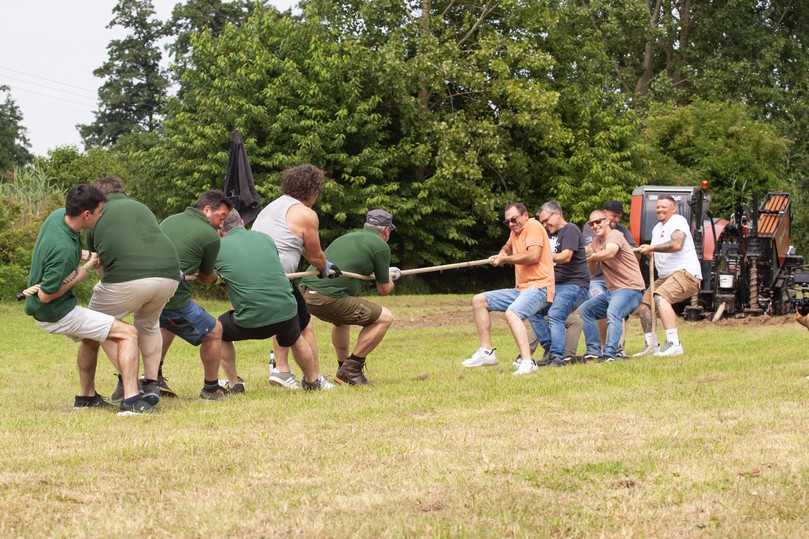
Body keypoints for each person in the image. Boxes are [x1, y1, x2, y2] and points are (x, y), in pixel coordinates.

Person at [24, 184, 150, 415]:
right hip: (56, 313)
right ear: (86, 215)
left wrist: (85, 255)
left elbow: (65, 253)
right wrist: (84, 271)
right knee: (128, 333)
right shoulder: (61, 249)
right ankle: (132, 400)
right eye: (100, 211)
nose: (101, 216)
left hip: (53, 310)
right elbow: (45, 295)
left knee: (92, 339)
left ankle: (86, 397)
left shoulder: (57, 218)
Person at [88, 176, 181, 407]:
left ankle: (129, 382)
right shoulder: (141, 207)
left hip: (128, 278)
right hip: (169, 275)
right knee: (149, 325)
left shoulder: (96, 212)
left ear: (98, 197)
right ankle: (151, 383)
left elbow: (97, 261)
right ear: (122, 191)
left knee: (97, 324)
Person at [215, 210, 333, 390]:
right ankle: (312, 380)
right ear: (241, 221)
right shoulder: (265, 239)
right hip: (287, 311)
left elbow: (209, 276)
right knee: (295, 337)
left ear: (220, 227)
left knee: (218, 330)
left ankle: (234, 383)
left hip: (251, 319)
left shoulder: (217, 247)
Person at [251, 164, 339, 390]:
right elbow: (314, 253)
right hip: (277, 277)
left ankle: (282, 369)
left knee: (287, 321)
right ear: (314, 190)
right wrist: (326, 267)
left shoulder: (272, 207)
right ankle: (310, 378)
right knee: (304, 325)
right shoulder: (305, 213)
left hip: (254, 275)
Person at [299, 209, 399, 385]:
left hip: (305, 293)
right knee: (385, 318)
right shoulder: (380, 246)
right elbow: (384, 289)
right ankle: (351, 369)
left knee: (341, 321)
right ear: (386, 230)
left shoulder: (346, 237)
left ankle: (341, 368)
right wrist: (392, 277)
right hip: (327, 298)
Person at [463, 202, 555, 375]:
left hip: (540, 286)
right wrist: (502, 253)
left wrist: (505, 260)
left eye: (514, 219)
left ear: (525, 215)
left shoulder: (533, 226)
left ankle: (528, 362)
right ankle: (486, 352)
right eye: (507, 222)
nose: (511, 224)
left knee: (512, 313)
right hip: (522, 289)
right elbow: (507, 247)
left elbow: (533, 256)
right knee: (479, 300)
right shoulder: (515, 232)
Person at [158, 190, 232, 400]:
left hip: (149, 293)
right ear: (207, 210)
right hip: (173, 296)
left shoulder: (170, 220)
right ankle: (211, 389)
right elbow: (206, 278)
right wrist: (217, 277)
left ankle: (153, 378)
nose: (222, 224)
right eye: (222, 217)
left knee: (166, 325)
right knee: (214, 331)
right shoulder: (209, 235)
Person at [635, 195, 702, 357]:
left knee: (660, 297)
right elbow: (657, 252)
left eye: (664, 207)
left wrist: (652, 248)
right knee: (644, 305)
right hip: (665, 276)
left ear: (674, 209)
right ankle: (651, 345)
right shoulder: (656, 229)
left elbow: (676, 244)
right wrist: (648, 253)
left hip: (685, 273)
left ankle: (674, 343)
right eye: (657, 207)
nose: (659, 210)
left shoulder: (678, 221)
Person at [578, 209, 646, 361]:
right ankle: (594, 351)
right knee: (585, 310)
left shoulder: (615, 235)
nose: (595, 225)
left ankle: (611, 353)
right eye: (591, 224)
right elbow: (594, 271)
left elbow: (610, 253)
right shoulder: (595, 242)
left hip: (631, 288)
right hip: (612, 291)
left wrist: (592, 256)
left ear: (607, 221)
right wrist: (589, 259)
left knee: (613, 313)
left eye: (598, 221)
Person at [530, 201, 589, 367]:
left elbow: (565, 256)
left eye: (545, 220)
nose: (544, 225)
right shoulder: (549, 234)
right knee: (533, 311)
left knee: (555, 314)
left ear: (556, 214)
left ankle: (557, 357)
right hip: (555, 285)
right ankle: (550, 348)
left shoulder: (570, 230)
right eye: (542, 222)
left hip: (574, 284)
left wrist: (541, 256)